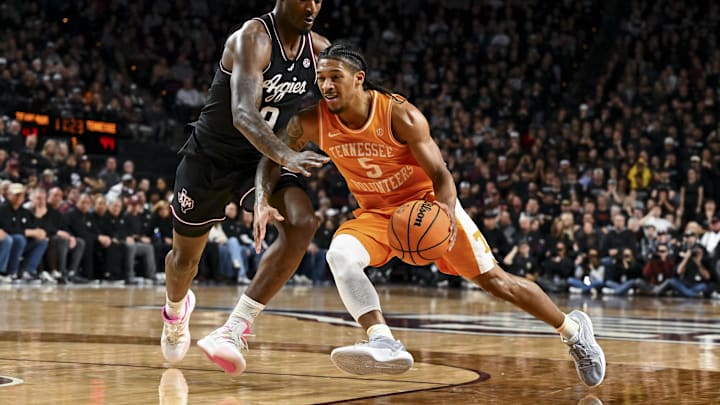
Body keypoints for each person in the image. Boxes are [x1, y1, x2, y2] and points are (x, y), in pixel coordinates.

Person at [254, 44, 606, 387]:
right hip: (377, 215)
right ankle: (382, 340)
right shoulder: (310, 121)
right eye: (321, 78)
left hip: (426, 208)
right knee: (339, 256)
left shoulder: (399, 115)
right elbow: (272, 154)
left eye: (335, 77)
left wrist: (448, 216)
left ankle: (573, 331)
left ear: (359, 78)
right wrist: (262, 198)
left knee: (497, 282)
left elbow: (441, 175)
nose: (326, 85)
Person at [160, 0, 330, 375]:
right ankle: (175, 311)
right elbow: (242, 114)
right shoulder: (252, 38)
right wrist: (288, 154)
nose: (313, 6)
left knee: (302, 222)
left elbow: (347, 93)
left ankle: (233, 329)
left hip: (262, 160)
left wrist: (266, 187)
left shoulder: (319, 52)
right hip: (210, 159)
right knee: (184, 262)